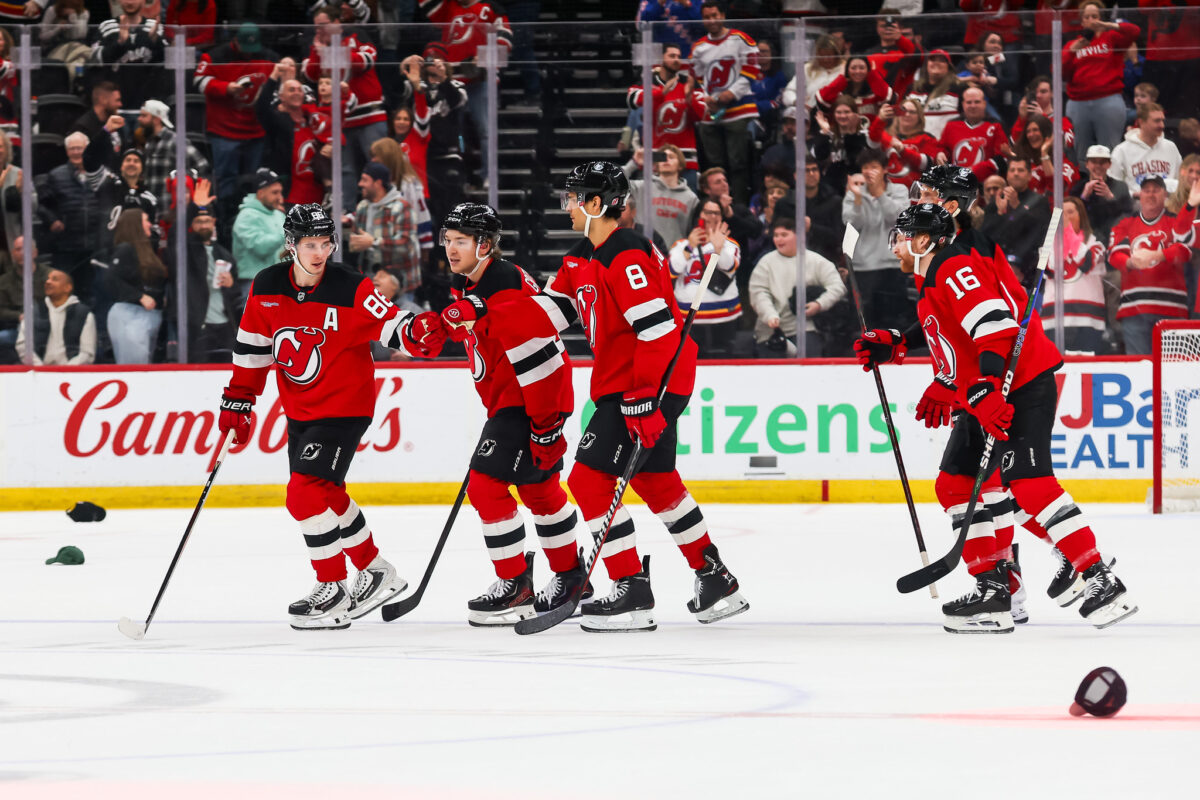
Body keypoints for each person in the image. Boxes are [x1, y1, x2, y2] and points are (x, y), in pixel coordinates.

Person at [459, 160, 749, 631]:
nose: (567, 206)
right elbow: (552, 311)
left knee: (590, 482)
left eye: (574, 198)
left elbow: (656, 330)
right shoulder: (581, 256)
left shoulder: (627, 254)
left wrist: (644, 398)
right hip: (629, 384)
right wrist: (487, 314)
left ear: (597, 204)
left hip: (646, 382)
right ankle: (713, 574)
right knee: (657, 483)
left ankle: (631, 588)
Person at [858, 202, 1137, 632]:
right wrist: (895, 343)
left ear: (923, 240)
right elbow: (943, 328)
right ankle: (993, 592)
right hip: (983, 394)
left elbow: (995, 324)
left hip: (1018, 383)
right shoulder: (932, 278)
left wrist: (987, 383)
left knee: (1029, 484)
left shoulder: (953, 267)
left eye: (901, 237)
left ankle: (1100, 578)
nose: (894, 246)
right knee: (954, 484)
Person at [217, 203, 446, 630]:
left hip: (345, 407)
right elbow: (251, 349)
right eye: (310, 244)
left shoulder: (350, 286)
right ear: (291, 245)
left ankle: (333, 587)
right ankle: (375, 570)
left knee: (302, 494)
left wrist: (415, 333)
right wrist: (239, 400)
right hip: (301, 410)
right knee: (327, 493)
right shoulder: (266, 286)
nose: (320, 253)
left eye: (326, 243)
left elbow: (391, 322)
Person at [429, 203, 592, 625]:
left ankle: (515, 582)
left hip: (529, 400)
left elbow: (539, 351)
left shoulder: (502, 282)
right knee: (539, 491)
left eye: (460, 241)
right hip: (514, 400)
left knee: (485, 486)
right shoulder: (472, 283)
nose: (450, 248)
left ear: (484, 245)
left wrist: (545, 424)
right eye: (447, 240)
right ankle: (572, 575)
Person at [194, 22, 279, 229]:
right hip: (224, 130)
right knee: (226, 179)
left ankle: (255, 219)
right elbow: (199, 81)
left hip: (255, 129)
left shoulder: (269, 57)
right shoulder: (214, 56)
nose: (249, 54)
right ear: (235, 41)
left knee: (255, 180)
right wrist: (225, 88)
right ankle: (225, 220)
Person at [419, 0, 512, 186]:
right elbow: (427, 7)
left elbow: (505, 43)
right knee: (457, 134)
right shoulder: (448, 6)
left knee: (485, 130)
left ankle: (489, 174)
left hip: (481, 80)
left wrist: (483, 57)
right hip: (453, 82)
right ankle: (461, 175)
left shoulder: (490, 8)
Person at [302, 5, 388, 207]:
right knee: (344, 169)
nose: (319, 31)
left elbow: (365, 62)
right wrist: (317, 52)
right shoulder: (317, 44)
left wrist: (330, 53)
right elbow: (311, 76)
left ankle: (385, 208)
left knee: (377, 165)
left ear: (336, 23)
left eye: (323, 25)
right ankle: (346, 213)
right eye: (316, 27)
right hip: (341, 119)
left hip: (370, 114)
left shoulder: (357, 34)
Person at [1107, 173, 1195, 354]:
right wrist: (1132, 262)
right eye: (1146, 190)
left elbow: (1185, 250)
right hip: (1135, 309)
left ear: (1165, 195)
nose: (1151, 194)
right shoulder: (1126, 223)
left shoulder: (1174, 221)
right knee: (1141, 370)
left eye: (1156, 190)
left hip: (1172, 309)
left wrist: (1157, 255)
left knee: (1173, 371)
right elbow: (1115, 255)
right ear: (1140, 194)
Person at [689, 0, 761, 205]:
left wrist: (729, 94)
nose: (711, 20)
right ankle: (717, 205)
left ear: (723, 16)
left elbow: (751, 70)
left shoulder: (741, 39)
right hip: (710, 113)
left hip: (738, 110)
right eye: (707, 17)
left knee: (738, 163)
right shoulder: (699, 47)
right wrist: (707, 100)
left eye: (715, 15)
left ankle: (738, 206)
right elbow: (698, 79)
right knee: (714, 165)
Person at [749, 215, 844, 357]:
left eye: (784, 235)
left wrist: (819, 304)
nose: (778, 239)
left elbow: (837, 286)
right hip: (771, 330)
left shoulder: (816, 261)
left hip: (806, 328)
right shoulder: (765, 262)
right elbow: (758, 292)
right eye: (776, 235)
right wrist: (769, 315)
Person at [841, 148, 911, 331]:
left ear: (885, 170)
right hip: (864, 266)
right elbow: (852, 224)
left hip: (893, 265)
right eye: (865, 166)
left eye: (874, 166)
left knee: (894, 320)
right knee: (866, 322)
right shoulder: (854, 193)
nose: (868, 171)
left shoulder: (899, 190)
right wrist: (857, 200)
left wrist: (879, 194)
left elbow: (897, 219)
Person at [1062, 1, 1140, 155]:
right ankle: (1084, 178)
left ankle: (1109, 178)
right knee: (1080, 149)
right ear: (1082, 21)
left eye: (1095, 16)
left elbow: (1134, 32)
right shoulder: (1073, 44)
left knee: (1110, 150)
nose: (1091, 20)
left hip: (1108, 99)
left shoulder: (1111, 38)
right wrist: (1072, 51)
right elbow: (1061, 73)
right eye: (1087, 17)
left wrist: (1108, 26)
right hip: (1078, 102)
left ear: (1100, 18)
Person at [667, 197, 740, 358]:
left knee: (724, 366)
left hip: (724, 318)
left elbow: (729, 266)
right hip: (689, 319)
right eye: (708, 212)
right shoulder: (681, 244)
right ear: (699, 215)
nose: (712, 217)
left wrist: (718, 247)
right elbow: (672, 270)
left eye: (716, 213)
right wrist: (690, 246)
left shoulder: (730, 244)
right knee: (690, 363)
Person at [170, 203, 239, 362]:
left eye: (206, 221)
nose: (203, 226)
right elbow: (174, 236)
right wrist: (192, 206)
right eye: (198, 221)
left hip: (225, 326)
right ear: (191, 224)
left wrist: (231, 285)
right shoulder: (185, 250)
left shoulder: (224, 254)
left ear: (213, 222)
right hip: (197, 326)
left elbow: (235, 296)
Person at [625, 43, 705, 180]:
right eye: (672, 56)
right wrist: (660, 93)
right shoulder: (647, 82)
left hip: (686, 157)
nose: (676, 60)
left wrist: (689, 98)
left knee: (687, 201)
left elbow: (701, 115)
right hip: (656, 157)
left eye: (679, 57)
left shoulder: (689, 84)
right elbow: (632, 100)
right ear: (661, 59)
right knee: (655, 200)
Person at [40, 132, 104, 300]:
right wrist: (52, 220)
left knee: (93, 292)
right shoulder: (55, 175)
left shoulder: (100, 173)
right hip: (66, 247)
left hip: (95, 246)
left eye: (80, 148)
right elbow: (42, 204)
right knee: (65, 293)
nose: (76, 152)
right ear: (67, 152)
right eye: (72, 149)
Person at [1042, 196, 1108, 355]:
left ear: (1081, 216)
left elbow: (1086, 263)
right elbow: (1048, 268)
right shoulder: (1048, 243)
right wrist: (1060, 238)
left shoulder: (1095, 241)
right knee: (1056, 370)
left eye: (1070, 212)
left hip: (1088, 319)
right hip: (1054, 320)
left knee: (1087, 371)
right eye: (1062, 214)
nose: (1066, 218)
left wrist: (1068, 233)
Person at [349, 163, 419, 307]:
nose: (360, 184)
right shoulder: (363, 206)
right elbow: (356, 241)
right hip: (370, 278)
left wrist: (373, 242)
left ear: (378, 183)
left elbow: (406, 245)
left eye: (365, 180)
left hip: (398, 281)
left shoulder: (401, 207)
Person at [106, 208, 166, 363]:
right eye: (146, 220)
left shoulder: (148, 250)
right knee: (135, 365)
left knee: (146, 363)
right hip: (130, 314)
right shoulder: (125, 249)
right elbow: (111, 278)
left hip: (151, 315)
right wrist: (139, 296)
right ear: (135, 225)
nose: (149, 224)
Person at [980, 157, 1051, 281]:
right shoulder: (995, 203)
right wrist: (1000, 213)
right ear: (1007, 175)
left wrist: (1017, 206)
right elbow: (984, 236)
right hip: (997, 267)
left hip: (1028, 269)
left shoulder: (1040, 201)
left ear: (1029, 175)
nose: (1016, 173)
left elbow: (1040, 233)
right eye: (1012, 170)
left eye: (1020, 170)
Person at [137, 99, 211, 213]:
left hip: (169, 208)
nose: (139, 119)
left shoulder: (174, 140)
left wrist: (182, 183)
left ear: (156, 119)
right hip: (153, 207)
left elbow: (202, 164)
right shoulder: (149, 142)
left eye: (144, 116)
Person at [91, 0, 165, 110]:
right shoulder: (107, 27)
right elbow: (95, 60)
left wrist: (155, 41)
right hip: (114, 104)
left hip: (147, 106)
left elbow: (166, 61)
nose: (130, 2)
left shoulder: (153, 26)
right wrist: (119, 43)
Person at [624, 144, 699, 251]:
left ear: (680, 165)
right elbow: (611, 182)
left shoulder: (691, 198)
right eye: (662, 157)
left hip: (674, 259)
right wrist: (634, 163)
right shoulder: (641, 187)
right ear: (656, 165)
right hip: (642, 252)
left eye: (671, 157)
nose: (666, 160)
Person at [15, 267, 95, 365]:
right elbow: (22, 345)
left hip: (72, 375)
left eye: (54, 279)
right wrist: (40, 368)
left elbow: (87, 352)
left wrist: (65, 371)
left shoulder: (83, 314)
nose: (48, 282)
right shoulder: (33, 312)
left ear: (67, 288)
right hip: (38, 373)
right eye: (48, 279)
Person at [231, 168, 286, 306]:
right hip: (254, 284)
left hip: (280, 283)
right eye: (274, 193)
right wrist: (287, 233)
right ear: (260, 193)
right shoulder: (246, 216)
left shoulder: (279, 215)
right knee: (254, 327)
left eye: (280, 192)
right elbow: (260, 247)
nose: (280, 197)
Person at [369, 137, 433, 254]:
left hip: (404, 247)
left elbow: (421, 214)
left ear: (387, 157)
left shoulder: (408, 184)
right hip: (380, 245)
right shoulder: (375, 183)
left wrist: (425, 245)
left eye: (375, 156)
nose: (372, 160)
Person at [867, 97, 945, 189]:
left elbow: (925, 164)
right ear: (897, 114)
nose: (907, 114)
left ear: (919, 117)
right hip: (885, 191)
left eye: (912, 112)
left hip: (914, 192)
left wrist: (903, 150)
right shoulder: (886, 135)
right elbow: (872, 142)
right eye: (903, 111)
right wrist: (880, 119)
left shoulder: (927, 138)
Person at [1108, 103, 1181, 198]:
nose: (1162, 125)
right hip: (1136, 207)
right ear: (1141, 122)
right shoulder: (1122, 150)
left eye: (1163, 120)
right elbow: (1114, 188)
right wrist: (1134, 194)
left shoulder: (1170, 147)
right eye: (1157, 121)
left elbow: (1181, 181)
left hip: (1168, 206)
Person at [937, 86, 1010, 181]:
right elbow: (942, 148)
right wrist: (939, 154)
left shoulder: (996, 126)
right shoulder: (951, 125)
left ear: (984, 104)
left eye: (977, 102)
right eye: (969, 102)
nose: (973, 106)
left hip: (985, 185)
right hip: (955, 183)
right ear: (963, 104)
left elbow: (1003, 158)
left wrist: (976, 170)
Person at [1069, 143, 1132, 243]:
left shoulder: (1120, 186)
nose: (1098, 166)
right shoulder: (1077, 188)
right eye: (1094, 162)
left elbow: (1128, 215)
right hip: (1084, 239)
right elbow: (1070, 217)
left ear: (1109, 164)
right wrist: (1083, 198)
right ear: (1087, 164)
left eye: (1102, 162)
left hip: (1112, 237)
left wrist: (1110, 198)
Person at [0, 236, 50, 363]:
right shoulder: (4, 281)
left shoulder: (51, 276)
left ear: (35, 253)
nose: (22, 253)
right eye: (18, 249)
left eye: (26, 249)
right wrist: (19, 316)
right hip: (15, 329)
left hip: (49, 328)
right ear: (13, 253)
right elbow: (1, 310)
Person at [1012, 114, 1080, 198]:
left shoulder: (1065, 164)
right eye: (1028, 131)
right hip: (1030, 209)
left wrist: (1044, 152)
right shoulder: (1025, 164)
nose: (1031, 134)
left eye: (1035, 130)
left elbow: (1057, 187)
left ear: (1047, 133)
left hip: (1058, 210)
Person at [907, 50, 967, 140]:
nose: (936, 63)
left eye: (942, 60)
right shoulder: (913, 88)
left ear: (949, 66)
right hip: (914, 143)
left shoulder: (959, 88)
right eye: (932, 60)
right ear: (927, 64)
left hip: (944, 144)